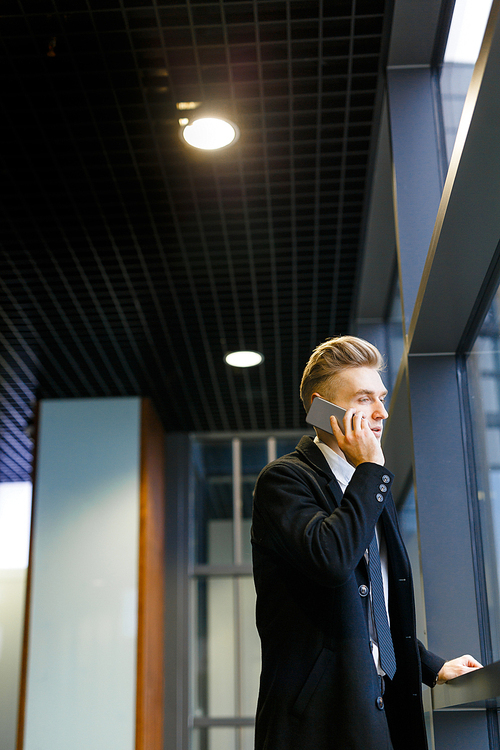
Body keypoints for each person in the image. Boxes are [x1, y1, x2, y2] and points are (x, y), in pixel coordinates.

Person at [251, 336, 482, 750]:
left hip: (383, 706)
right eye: (363, 399)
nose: (382, 412)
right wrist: (370, 470)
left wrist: (430, 665)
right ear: (322, 408)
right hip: (319, 721)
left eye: (381, 397)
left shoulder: (372, 486)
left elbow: (375, 601)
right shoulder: (285, 481)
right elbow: (332, 560)